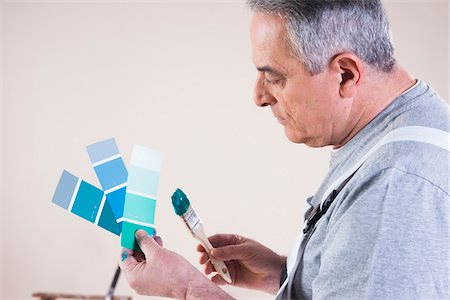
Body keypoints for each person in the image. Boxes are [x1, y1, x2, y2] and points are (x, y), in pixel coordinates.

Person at [120, 0, 450, 299]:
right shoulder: (403, 123)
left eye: (275, 78)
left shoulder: (393, 188)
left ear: (345, 75)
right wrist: (288, 273)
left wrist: (189, 289)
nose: (259, 96)